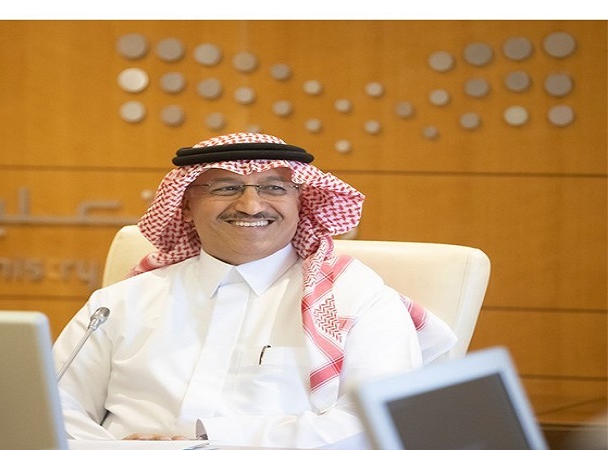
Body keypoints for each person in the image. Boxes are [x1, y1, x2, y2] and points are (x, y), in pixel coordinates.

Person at [52, 132, 456, 448]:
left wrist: (207, 443)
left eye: (274, 188)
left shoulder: (357, 299)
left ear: (301, 202)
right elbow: (53, 406)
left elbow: (371, 424)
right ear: (186, 205)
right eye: (225, 188)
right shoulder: (120, 303)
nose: (250, 205)